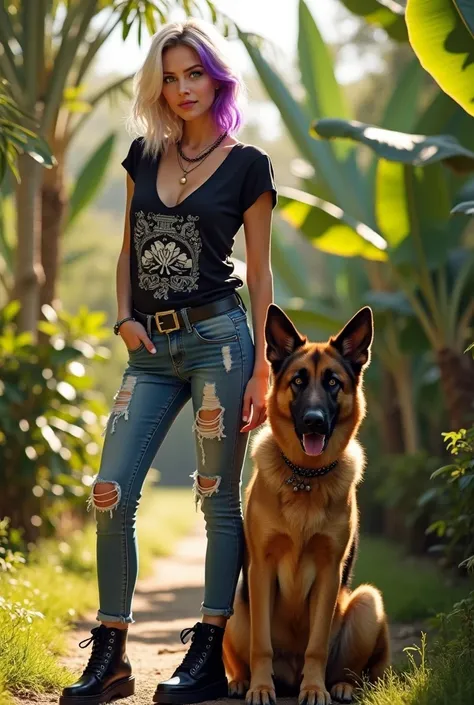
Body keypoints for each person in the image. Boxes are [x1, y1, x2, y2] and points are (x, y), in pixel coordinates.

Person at [59, 16, 277, 705]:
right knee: (110, 489)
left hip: (221, 340)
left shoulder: (249, 166)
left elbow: (264, 275)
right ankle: (112, 656)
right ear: (158, 84)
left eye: (195, 73)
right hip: (150, 349)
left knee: (216, 498)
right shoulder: (141, 156)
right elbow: (127, 249)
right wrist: (123, 317)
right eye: (171, 76)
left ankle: (208, 652)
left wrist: (265, 366)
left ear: (216, 77)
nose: (184, 88)